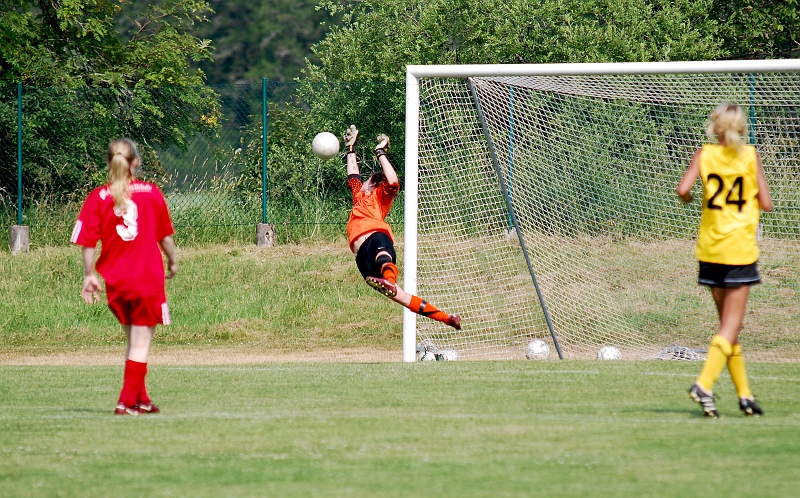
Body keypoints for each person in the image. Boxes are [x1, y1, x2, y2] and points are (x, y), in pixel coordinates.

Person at [677, 103, 772, 418]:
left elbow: (683, 189)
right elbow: (767, 204)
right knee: (732, 326)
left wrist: (694, 198)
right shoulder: (750, 156)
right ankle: (704, 383)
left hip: (710, 250)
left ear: (715, 127)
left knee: (727, 329)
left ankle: (745, 396)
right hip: (739, 250)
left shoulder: (705, 154)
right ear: (741, 127)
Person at [71, 138, 178, 416]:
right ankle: (126, 401)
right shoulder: (151, 193)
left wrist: (88, 274)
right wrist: (173, 261)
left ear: (109, 163)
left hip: (116, 281)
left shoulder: (98, 196)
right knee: (141, 344)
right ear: (136, 163)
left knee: (134, 341)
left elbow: (87, 241)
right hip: (146, 279)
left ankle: (141, 400)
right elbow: (164, 236)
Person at [343, 125, 461, 330]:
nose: (360, 183)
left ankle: (389, 278)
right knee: (402, 295)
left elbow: (393, 180)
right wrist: (350, 148)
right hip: (361, 255)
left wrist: (380, 153)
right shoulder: (358, 198)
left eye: (366, 181)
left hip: (375, 236)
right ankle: (446, 318)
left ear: (372, 184)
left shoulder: (378, 196)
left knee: (387, 269)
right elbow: (353, 176)